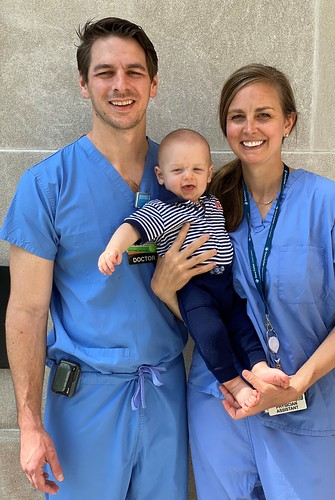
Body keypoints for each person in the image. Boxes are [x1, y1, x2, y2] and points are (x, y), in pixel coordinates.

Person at [0, 17, 216, 500]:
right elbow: (27, 311)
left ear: (154, 84)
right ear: (83, 84)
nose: (121, 85)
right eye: (105, 72)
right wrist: (30, 426)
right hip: (83, 403)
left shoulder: (183, 175)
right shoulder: (47, 185)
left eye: (135, 72)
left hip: (165, 392)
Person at [151, 64, 335, 499]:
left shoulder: (332, 206)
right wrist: (164, 291)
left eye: (264, 115)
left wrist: (298, 382)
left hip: (303, 406)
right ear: (225, 126)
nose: (249, 128)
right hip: (221, 403)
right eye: (237, 116)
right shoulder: (203, 207)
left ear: (288, 122)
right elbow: (203, 306)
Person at [98, 128, 290, 411]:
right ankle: (233, 382)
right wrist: (113, 249)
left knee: (243, 326)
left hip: (225, 284)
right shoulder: (162, 209)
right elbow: (133, 226)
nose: (188, 176)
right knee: (209, 333)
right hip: (194, 288)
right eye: (178, 170)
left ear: (209, 174)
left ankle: (259, 367)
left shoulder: (213, 203)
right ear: (161, 176)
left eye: (196, 169)